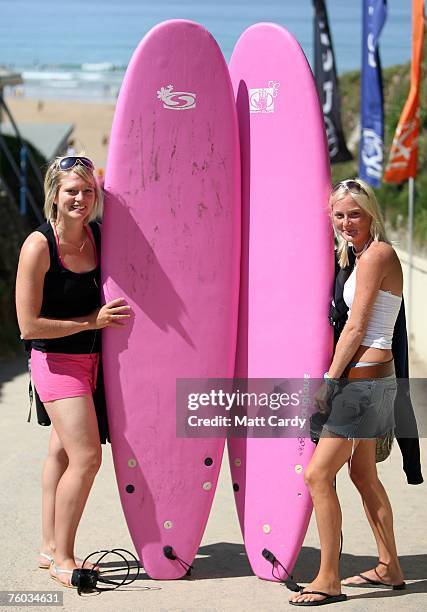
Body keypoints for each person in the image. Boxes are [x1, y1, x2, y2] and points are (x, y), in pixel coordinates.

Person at [289, 178, 406, 606]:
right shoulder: (355, 257)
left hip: (362, 384)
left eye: (354, 214)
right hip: (372, 381)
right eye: (338, 215)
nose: (345, 222)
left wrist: (329, 382)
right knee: (362, 474)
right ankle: (390, 565)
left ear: (371, 212)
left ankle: (328, 578)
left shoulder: (377, 255)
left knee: (318, 475)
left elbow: (356, 327)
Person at [15, 155, 130, 587]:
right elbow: (28, 326)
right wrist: (91, 322)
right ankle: (65, 557)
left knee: (61, 454)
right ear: (55, 197)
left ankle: (48, 547)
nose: (80, 198)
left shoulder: (99, 236)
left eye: (87, 190)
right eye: (71, 191)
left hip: (95, 362)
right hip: (55, 363)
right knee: (87, 457)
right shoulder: (38, 246)